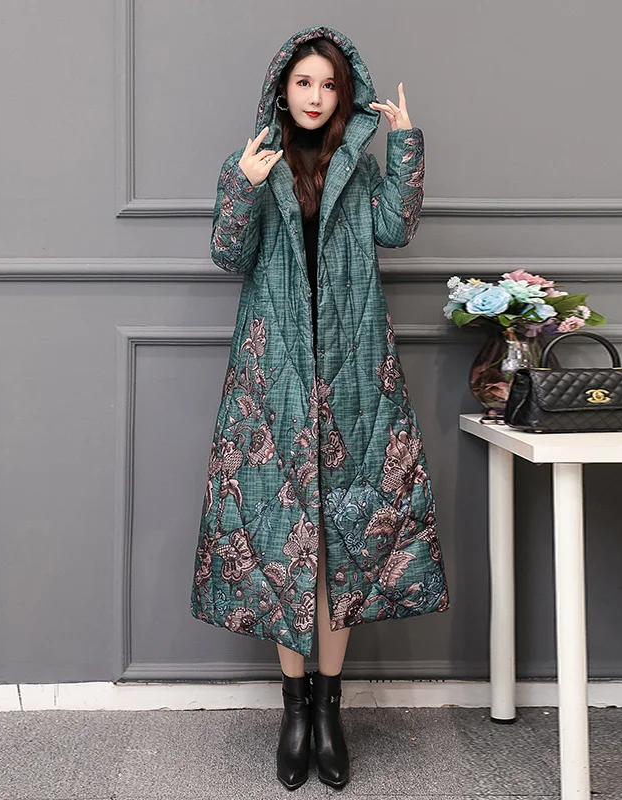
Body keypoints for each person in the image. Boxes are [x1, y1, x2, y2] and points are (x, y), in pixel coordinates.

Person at [190, 25, 450, 791]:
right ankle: (294, 711)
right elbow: (228, 255)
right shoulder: (252, 163)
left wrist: (405, 147)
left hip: (354, 378)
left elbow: (396, 229)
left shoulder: (359, 171)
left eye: (329, 84)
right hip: (271, 382)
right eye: (303, 82)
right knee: (284, 547)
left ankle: (330, 710)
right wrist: (242, 185)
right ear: (282, 89)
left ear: (345, 95)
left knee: (341, 548)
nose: (315, 96)